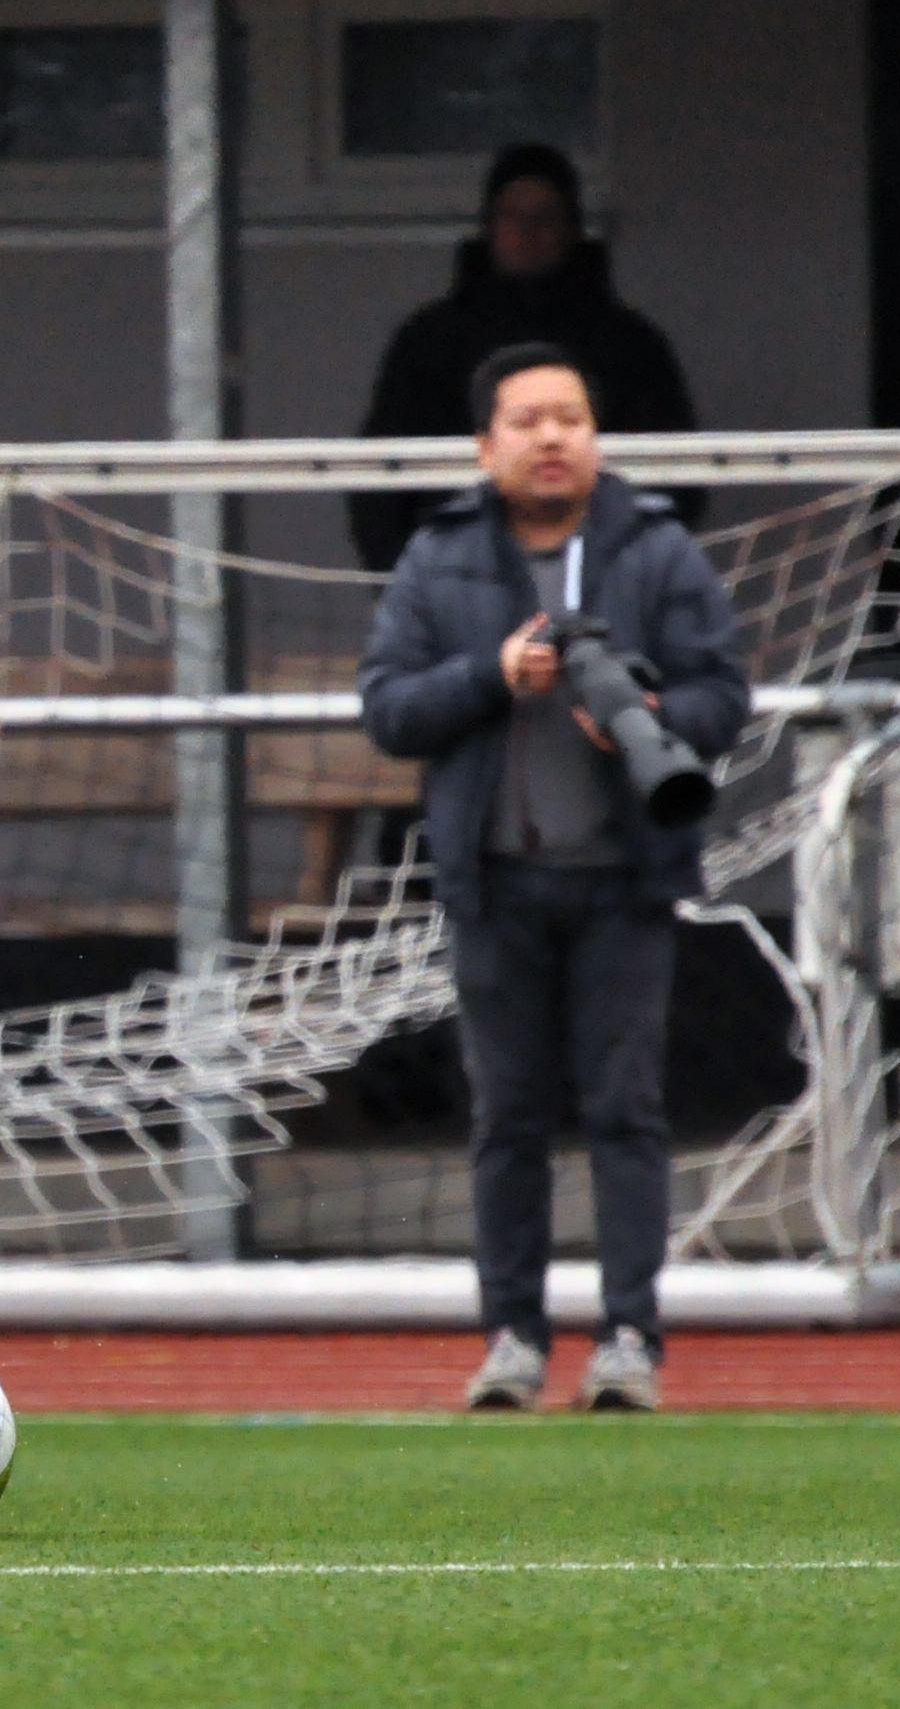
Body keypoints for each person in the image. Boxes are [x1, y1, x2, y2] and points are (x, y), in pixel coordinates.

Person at [359, 341, 748, 1414]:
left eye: (568, 417)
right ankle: (511, 1341)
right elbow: (387, 708)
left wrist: (647, 709)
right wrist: (490, 676)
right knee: (505, 1118)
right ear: (484, 445)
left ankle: (627, 1336)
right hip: (492, 884)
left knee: (625, 1109)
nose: (548, 437)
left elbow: (726, 693)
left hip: (625, 879)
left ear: (594, 436)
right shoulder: (438, 557)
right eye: (525, 419)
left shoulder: (655, 547)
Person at [348, 144, 703, 573]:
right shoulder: (429, 341)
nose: (527, 229)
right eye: (511, 214)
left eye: (545, 216)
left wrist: (643, 577)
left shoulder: (629, 343)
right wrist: (400, 582)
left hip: (601, 576)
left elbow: (678, 475)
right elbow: (381, 475)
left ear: (571, 228)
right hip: (457, 576)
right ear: (489, 226)